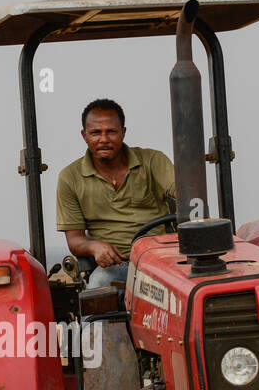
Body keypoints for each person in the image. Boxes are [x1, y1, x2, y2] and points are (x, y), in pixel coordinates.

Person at [56, 98, 176, 290]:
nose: (104, 139)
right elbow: (75, 239)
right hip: (118, 264)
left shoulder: (153, 161)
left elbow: (186, 191)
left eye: (111, 131)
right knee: (100, 285)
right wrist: (94, 247)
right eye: (96, 132)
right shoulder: (70, 178)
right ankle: (96, 322)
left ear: (123, 132)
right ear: (84, 135)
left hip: (161, 258)